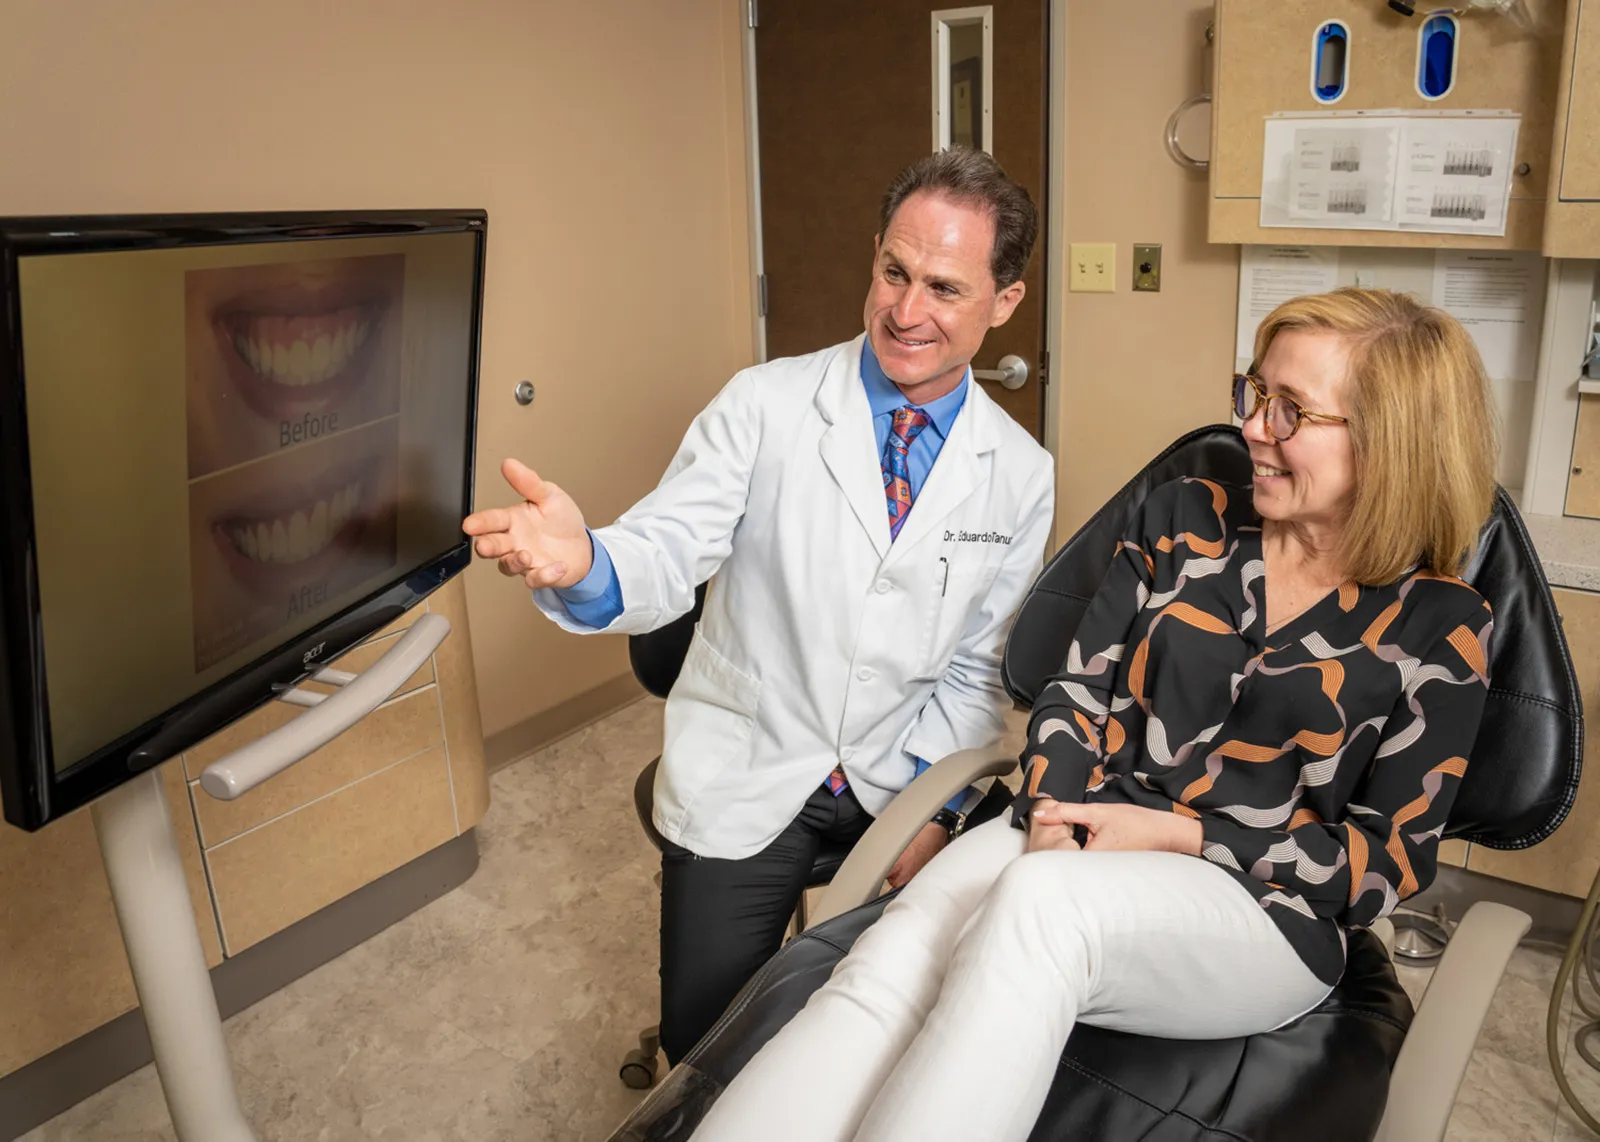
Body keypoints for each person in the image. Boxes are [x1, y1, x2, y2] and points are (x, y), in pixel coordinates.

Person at [688, 286, 1499, 1142]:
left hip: (1265, 909)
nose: (1254, 428)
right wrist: (1048, 811)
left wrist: (1180, 837)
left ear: (1389, 444)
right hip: (1075, 826)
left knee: (1043, 909)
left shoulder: (1441, 627)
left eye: (1291, 410)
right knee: (894, 953)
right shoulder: (1185, 517)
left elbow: (1386, 864)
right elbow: (1076, 693)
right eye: (1255, 393)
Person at [461, 148, 1056, 1064]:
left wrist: (936, 812)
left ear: (1004, 300)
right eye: (894, 272)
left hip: (901, 774)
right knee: (710, 1052)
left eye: (944, 287)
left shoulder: (1018, 474)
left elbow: (979, 668)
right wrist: (583, 561)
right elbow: (664, 549)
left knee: (905, 1029)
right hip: (749, 768)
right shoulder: (767, 405)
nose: (905, 312)